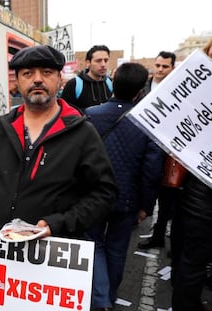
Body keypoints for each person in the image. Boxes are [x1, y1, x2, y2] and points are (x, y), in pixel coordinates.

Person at [0, 45, 118, 276]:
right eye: (27, 74)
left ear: (59, 79)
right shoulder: (0, 129)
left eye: (46, 72)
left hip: (52, 258)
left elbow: (105, 193)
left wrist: (58, 224)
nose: (37, 80)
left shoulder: (82, 132)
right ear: (17, 80)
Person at [85, 63, 165, 311]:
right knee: (117, 249)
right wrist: (146, 205)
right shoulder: (147, 122)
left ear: (113, 82)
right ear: (140, 91)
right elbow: (152, 170)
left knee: (94, 244)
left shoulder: (91, 114)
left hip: (92, 195)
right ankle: (109, 296)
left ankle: (100, 298)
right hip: (127, 198)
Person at [137, 51, 178, 250]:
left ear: (173, 68)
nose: (160, 70)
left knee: (168, 199)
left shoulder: (178, 89)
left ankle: (163, 236)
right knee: (146, 189)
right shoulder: (143, 87)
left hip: (170, 153)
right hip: (144, 147)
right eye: (158, 65)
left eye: (165, 66)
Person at [171, 173, 212, 311]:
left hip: (195, 204)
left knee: (191, 265)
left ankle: (187, 303)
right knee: (193, 266)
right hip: (204, 211)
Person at [60, 45, 113, 111]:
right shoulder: (74, 84)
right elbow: (65, 112)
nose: (103, 64)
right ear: (88, 63)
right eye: (98, 61)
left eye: (106, 60)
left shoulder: (110, 83)